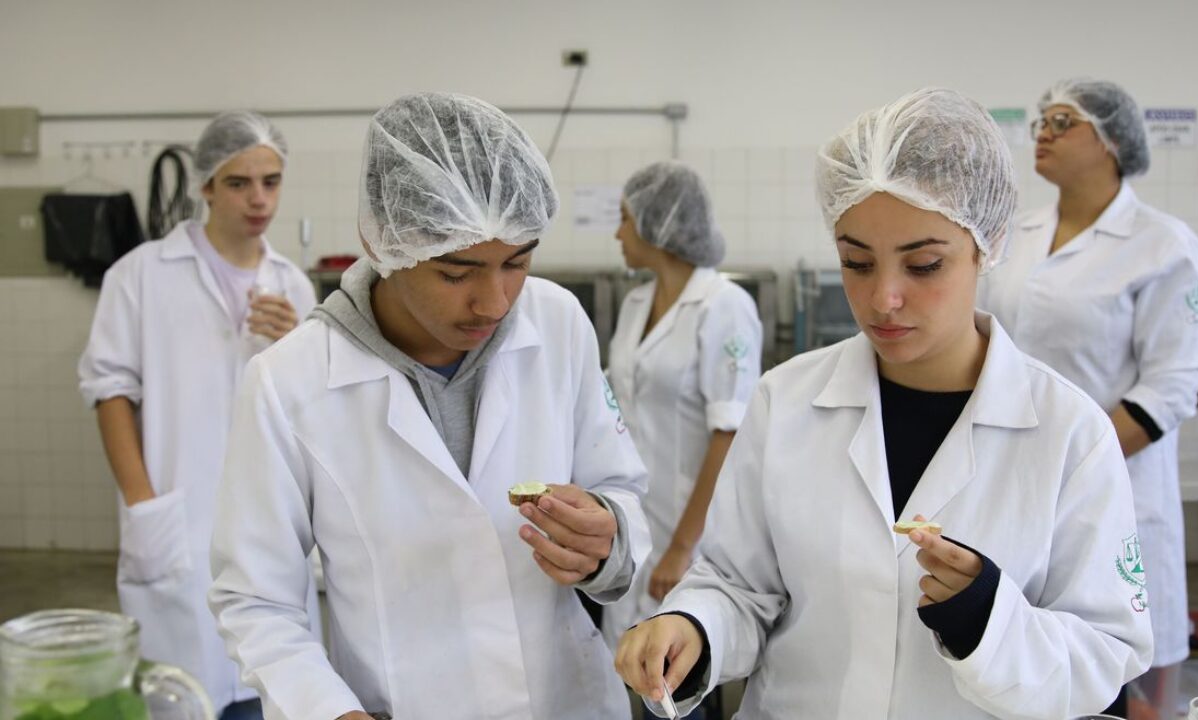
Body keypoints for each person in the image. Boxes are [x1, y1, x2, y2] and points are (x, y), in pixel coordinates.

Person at [614, 88, 1154, 719]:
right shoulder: (785, 401)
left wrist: (989, 619)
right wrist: (694, 627)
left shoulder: (1069, 432)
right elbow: (739, 585)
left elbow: (1105, 654)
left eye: (923, 265)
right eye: (856, 263)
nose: (883, 299)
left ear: (987, 244)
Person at [208, 92, 652, 720]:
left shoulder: (557, 322)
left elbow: (621, 488)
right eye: (455, 272)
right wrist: (328, 711)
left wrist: (607, 538)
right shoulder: (289, 382)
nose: (495, 302)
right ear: (381, 241)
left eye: (517, 262)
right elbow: (257, 601)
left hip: (566, 702)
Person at [979, 78, 1198, 717]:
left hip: (1116, 486)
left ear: (1111, 142)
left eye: (1062, 121)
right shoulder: (1015, 236)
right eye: (1041, 122)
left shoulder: (1164, 246)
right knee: (1017, 666)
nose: (1042, 133)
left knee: (1119, 679)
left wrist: (1072, 461)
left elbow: (1168, 388)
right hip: (1006, 479)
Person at [78, 111, 317, 720]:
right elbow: (110, 392)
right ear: (206, 186)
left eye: (272, 180)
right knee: (182, 695)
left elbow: (313, 407)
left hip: (270, 521)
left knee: (271, 688)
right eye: (239, 183)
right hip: (177, 517)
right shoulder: (139, 275)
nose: (259, 199)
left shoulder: (292, 285)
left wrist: (297, 343)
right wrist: (143, 504)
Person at [600, 161, 762, 649]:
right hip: (632, 524)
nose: (617, 233)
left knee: (674, 672)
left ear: (658, 224)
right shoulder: (634, 304)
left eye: (625, 218)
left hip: (690, 535)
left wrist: (680, 548)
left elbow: (728, 435)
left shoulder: (724, 306)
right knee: (623, 660)